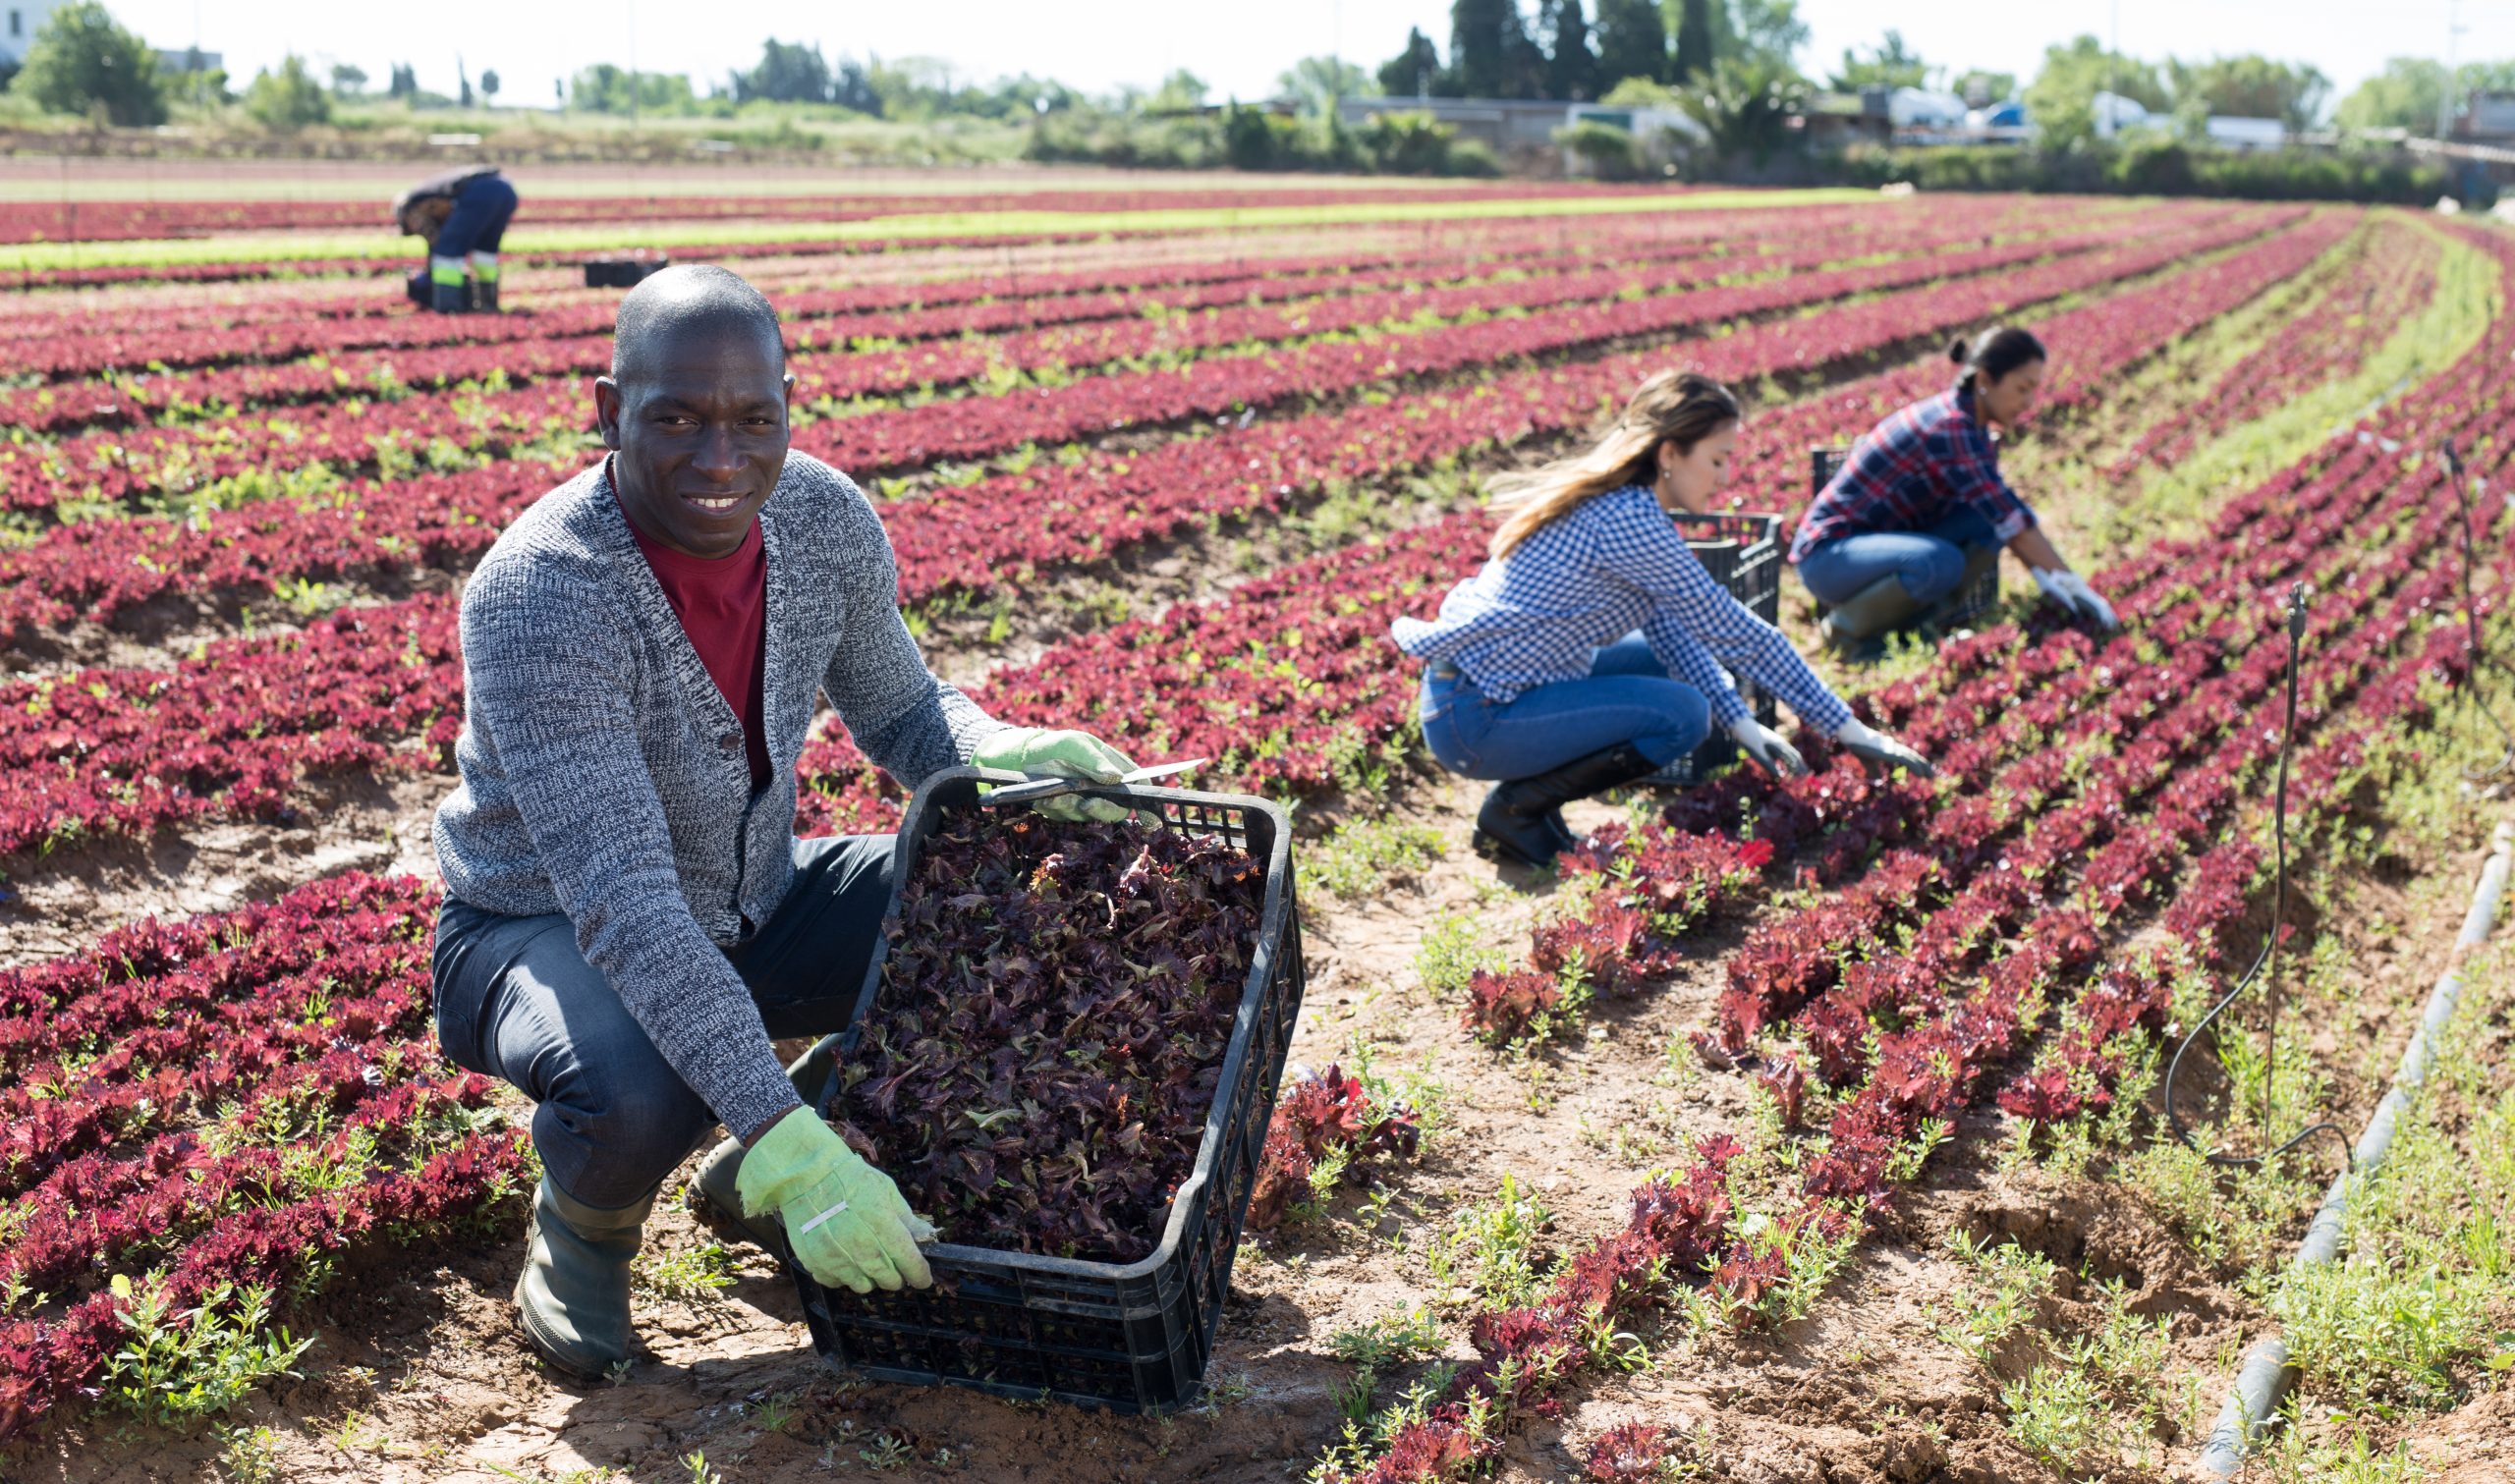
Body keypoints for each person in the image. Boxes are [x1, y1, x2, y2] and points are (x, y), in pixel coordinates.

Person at [428, 265, 1140, 1381]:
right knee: (640, 1086)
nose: (721, 459)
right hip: (540, 925)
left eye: (753, 418)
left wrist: (993, 746)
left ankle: (770, 1150)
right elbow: (625, 904)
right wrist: (783, 1138)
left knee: (1012, 892)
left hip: (754, 894)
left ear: (789, 405)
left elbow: (904, 708)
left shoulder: (820, 516)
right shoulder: (544, 592)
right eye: (676, 419)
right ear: (609, 411)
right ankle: (587, 1220)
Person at [1392, 370, 1932, 869]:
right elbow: (1745, 637)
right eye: (1718, 459)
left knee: (1664, 666)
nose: (1725, 477)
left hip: (1480, 693)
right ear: (1671, 452)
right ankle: (1515, 810)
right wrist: (1850, 729)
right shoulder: (1628, 520)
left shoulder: (1620, 505)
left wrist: (1742, 723)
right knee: (1682, 714)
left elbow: (1672, 631)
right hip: (1476, 718)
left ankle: (1529, 805)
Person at [1792, 326, 2117, 657]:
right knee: (1938, 562)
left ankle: (1916, 629)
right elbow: (2012, 520)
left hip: (1880, 547)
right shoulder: (1949, 427)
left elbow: (2002, 514)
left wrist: (2052, 580)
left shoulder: (1969, 425)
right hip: (1830, 557)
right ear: (1985, 381)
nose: (2028, 403)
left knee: (1983, 523)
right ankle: (1846, 634)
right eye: (2022, 388)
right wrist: (2075, 585)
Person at [394, 165, 519, 314]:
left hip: (479, 191)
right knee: (484, 254)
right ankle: (488, 305)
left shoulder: (409, 207)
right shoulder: (431, 194)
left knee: (446, 254)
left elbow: (437, 242)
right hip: (506, 190)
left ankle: (449, 308)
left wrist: (430, 271)